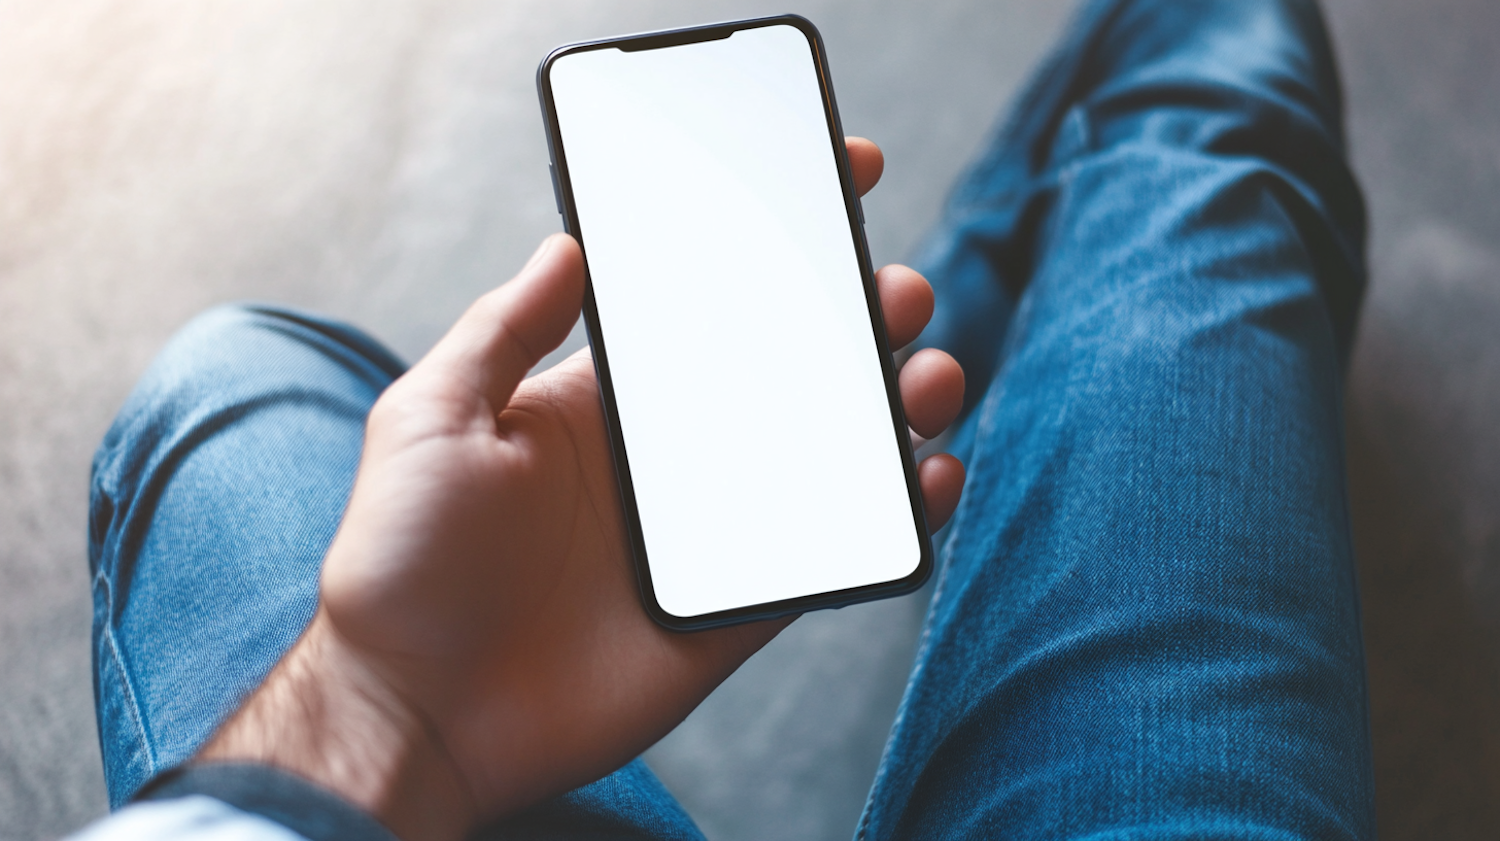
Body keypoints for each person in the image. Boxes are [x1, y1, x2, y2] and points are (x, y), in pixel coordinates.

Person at [72, 0, 1376, 838]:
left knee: (232, 370)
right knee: (1206, 112)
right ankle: (998, 272)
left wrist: (384, 699)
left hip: (384, 763)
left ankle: (982, 289)